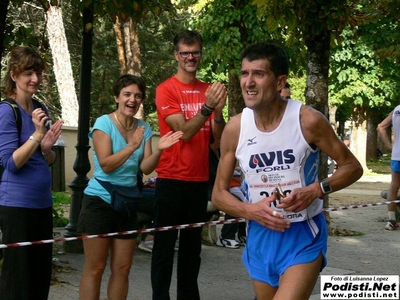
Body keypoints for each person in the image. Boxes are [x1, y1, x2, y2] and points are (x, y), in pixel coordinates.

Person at [211, 42, 363, 300]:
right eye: (244, 73)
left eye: (259, 74)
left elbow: (352, 167)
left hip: (301, 235)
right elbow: (218, 194)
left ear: (280, 81)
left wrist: (316, 189)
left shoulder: (307, 120)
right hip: (260, 237)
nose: (249, 82)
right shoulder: (236, 128)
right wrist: (251, 211)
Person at [78, 74, 183, 299]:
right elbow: (106, 165)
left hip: (126, 203)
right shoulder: (103, 123)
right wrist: (132, 145)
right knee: (95, 268)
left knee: (122, 269)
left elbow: (145, 168)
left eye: (137, 96)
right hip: (100, 201)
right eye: (127, 94)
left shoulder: (143, 127)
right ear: (117, 97)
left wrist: (160, 150)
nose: (132, 100)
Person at [151, 29, 227, 300]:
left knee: (191, 252)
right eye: (185, 52)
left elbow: (217, 143)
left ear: (200, 54)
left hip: (198, 180)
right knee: (163, 248)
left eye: (195, 52)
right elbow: (184, 131)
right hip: (171, 178)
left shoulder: (210, 90)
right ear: (176, 55)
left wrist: (218, 114)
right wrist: (207, 108)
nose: (191, 57)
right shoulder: (165, 90)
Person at [0, 46, 63, 300]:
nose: (35, 79)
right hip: (17, 206)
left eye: (38, 72)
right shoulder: (7, 110)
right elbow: (11, 163)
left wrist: (47, 149)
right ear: (14, 75)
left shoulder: (39, 108)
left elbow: (47, 157)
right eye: (28, 73)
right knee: (18, 281)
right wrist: (37, 135)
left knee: (39, 278)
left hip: (42, 204)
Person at [377, 108, 400, 230]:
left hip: (397, 155)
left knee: (394, 186)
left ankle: (391, 220)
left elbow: (380, 127)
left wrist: (389, 146)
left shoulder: (397, 110)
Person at [216, 168, 247, 249]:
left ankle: (243, 235)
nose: (238, 177)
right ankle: (226, 237)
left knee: (247, 204)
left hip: (237, 185)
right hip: (223, 187)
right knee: (236, 204)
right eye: (236, 176)